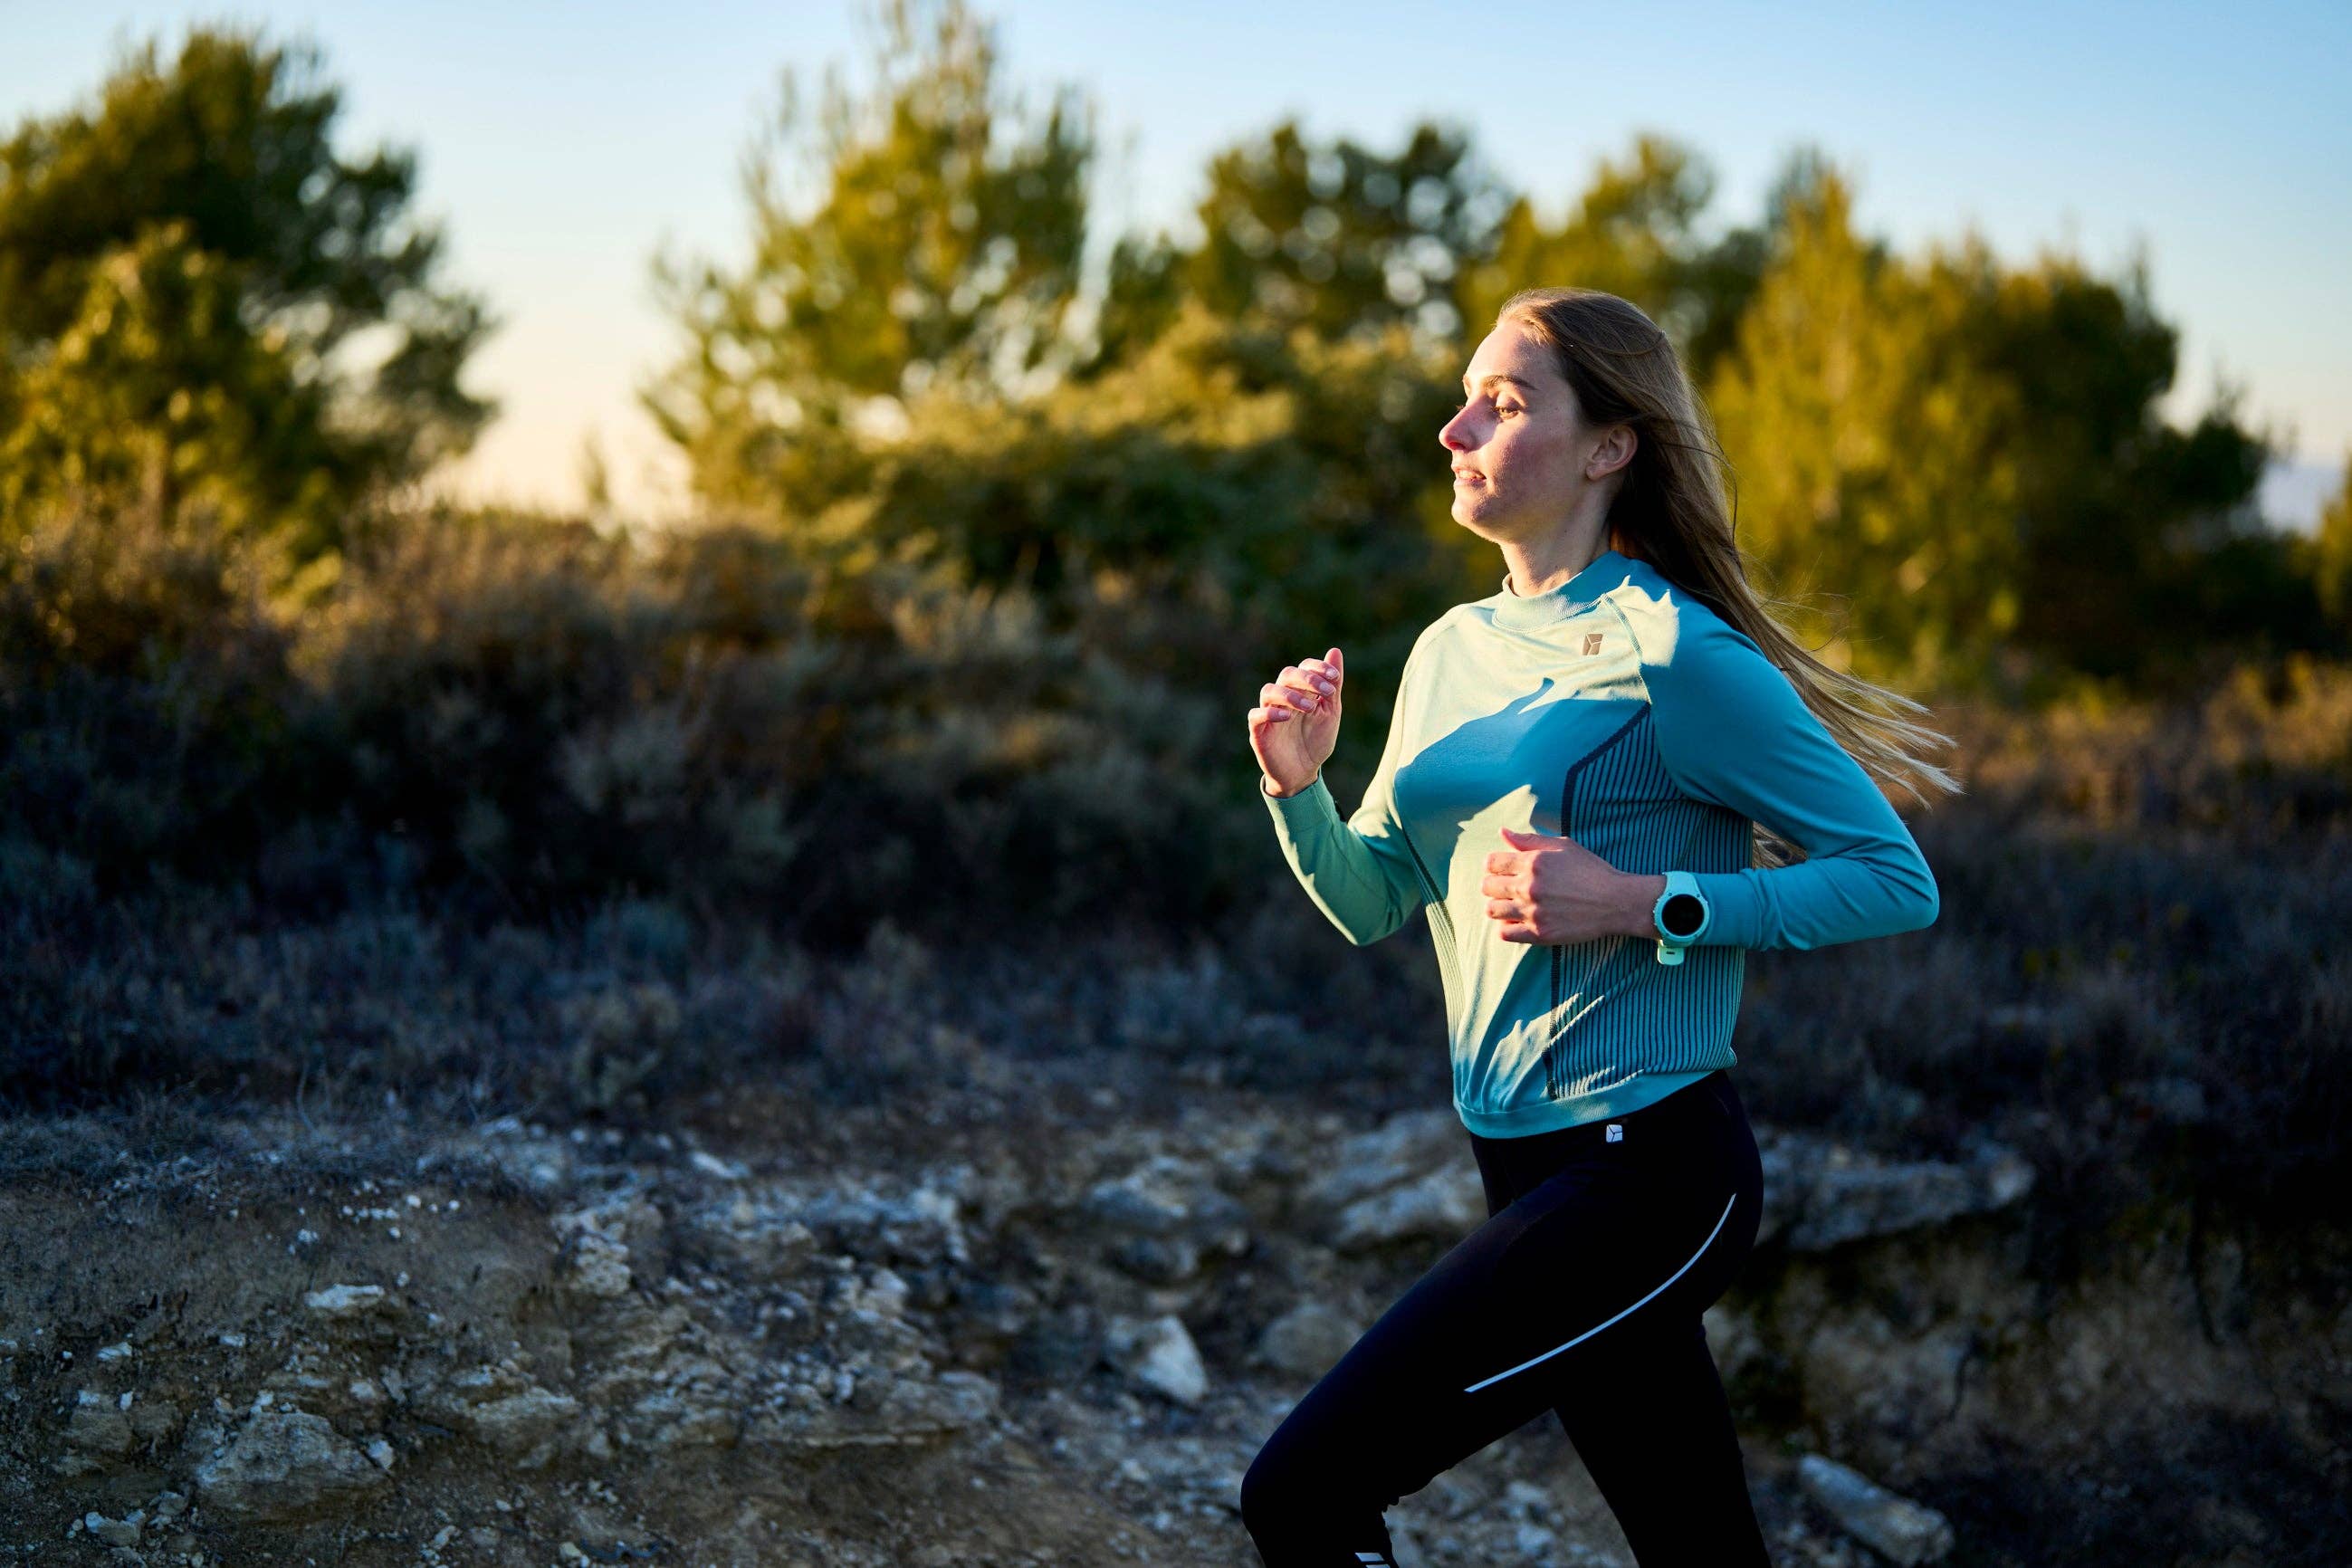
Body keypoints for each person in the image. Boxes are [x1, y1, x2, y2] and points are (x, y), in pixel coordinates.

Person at [1237, 285, 1960, 1567]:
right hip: (1513, 1156)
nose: (1454, 431)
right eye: (1463, 399)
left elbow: (1889, 875)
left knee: (1302, 1493)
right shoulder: (1452, 646)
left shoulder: (1676, 656)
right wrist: (1296, 790)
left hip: (1651, 1172)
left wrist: (1643, 903)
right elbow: (1372, 899)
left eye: (1503, 405)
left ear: (1607, 447)